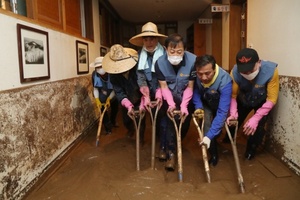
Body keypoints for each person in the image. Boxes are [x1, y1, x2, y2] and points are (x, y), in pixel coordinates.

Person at [225, 48, 279, 160]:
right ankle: (228, 138)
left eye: (251, 69)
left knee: (258, 127)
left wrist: (256, 117)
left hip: (262, 101)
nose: (248, 73)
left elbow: (272, 99)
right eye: (244, 71)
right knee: (235, 120)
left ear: (258, 62)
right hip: (244, 98)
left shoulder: (271, 71)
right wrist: (233, 112)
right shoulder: (235, 72)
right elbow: (233, 95)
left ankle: (250, 150)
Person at [155, 33, 196, 170]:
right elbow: (164, 86)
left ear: (185, 49)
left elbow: (190, 87)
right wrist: (171, 104)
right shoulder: (159, 62)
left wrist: (184, 105)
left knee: (183, 126)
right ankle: (167, 151)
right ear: (166, 49)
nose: (176, 54)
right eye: (172, 51)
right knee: (165, 124)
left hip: (185, 98)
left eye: (179, 51)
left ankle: (173, 146)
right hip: (168, 98)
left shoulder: (193, 61)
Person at [129, 21, 168, 161]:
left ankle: (162, 145)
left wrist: (158, 92)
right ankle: (142, 140)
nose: (149, 42)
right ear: (142, 41)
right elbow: (140, 76)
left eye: (152, 38)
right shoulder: (140, 55)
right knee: (143, 115)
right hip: (145, 89)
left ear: (157, 39)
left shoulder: (165, 53)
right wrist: (145, 93)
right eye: (146, 39)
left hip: (163, 89)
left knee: (162, 118)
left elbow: (164, 76)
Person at [192, 55, 232, 166]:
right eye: (200, 74)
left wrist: (209, 136)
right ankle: (213, 154)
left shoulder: (225, 81)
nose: (203, 78)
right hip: (206, 104)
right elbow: (195, 92)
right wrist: (198, 107)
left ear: (214, 69)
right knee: (206, 124)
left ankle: (211, 137)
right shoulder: (195, 75)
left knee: (216, 126)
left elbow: (222, 112)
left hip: (220, 105)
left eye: (207, 73)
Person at [102, 44, 146, 143]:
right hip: (126, 99)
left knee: (140, 121)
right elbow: (119, 92)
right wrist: (129, 106)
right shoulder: (113, 75)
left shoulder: (137, 68)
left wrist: (143, 102)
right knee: (126, 121)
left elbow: (144, 86)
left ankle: (140, 140)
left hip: (139, 97)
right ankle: (131, 129)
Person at [90, 56, 119, 134]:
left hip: (113, 92)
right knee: (102, 109)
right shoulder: (94, 74)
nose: (99, 69)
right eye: (97, 67)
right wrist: (97, 99)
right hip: (102, 92)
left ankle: (113, 121)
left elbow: (115, 89)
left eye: (101, 66)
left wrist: (109, 99)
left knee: (115, 108)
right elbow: (95, 88)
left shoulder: (112, 73)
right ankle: (108, 127)